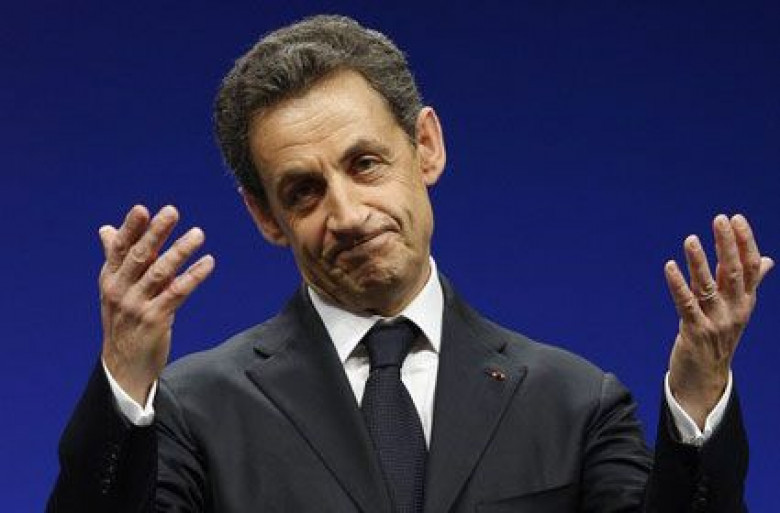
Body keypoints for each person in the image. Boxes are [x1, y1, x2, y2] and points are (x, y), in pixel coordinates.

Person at [48, 15, 773, 512]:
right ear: (265, 217)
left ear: (426, 147)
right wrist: (127, 371)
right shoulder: (192, 409)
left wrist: (699, 389)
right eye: (303, 191)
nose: (347, 214)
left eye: (365, 163)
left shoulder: (575, 403)